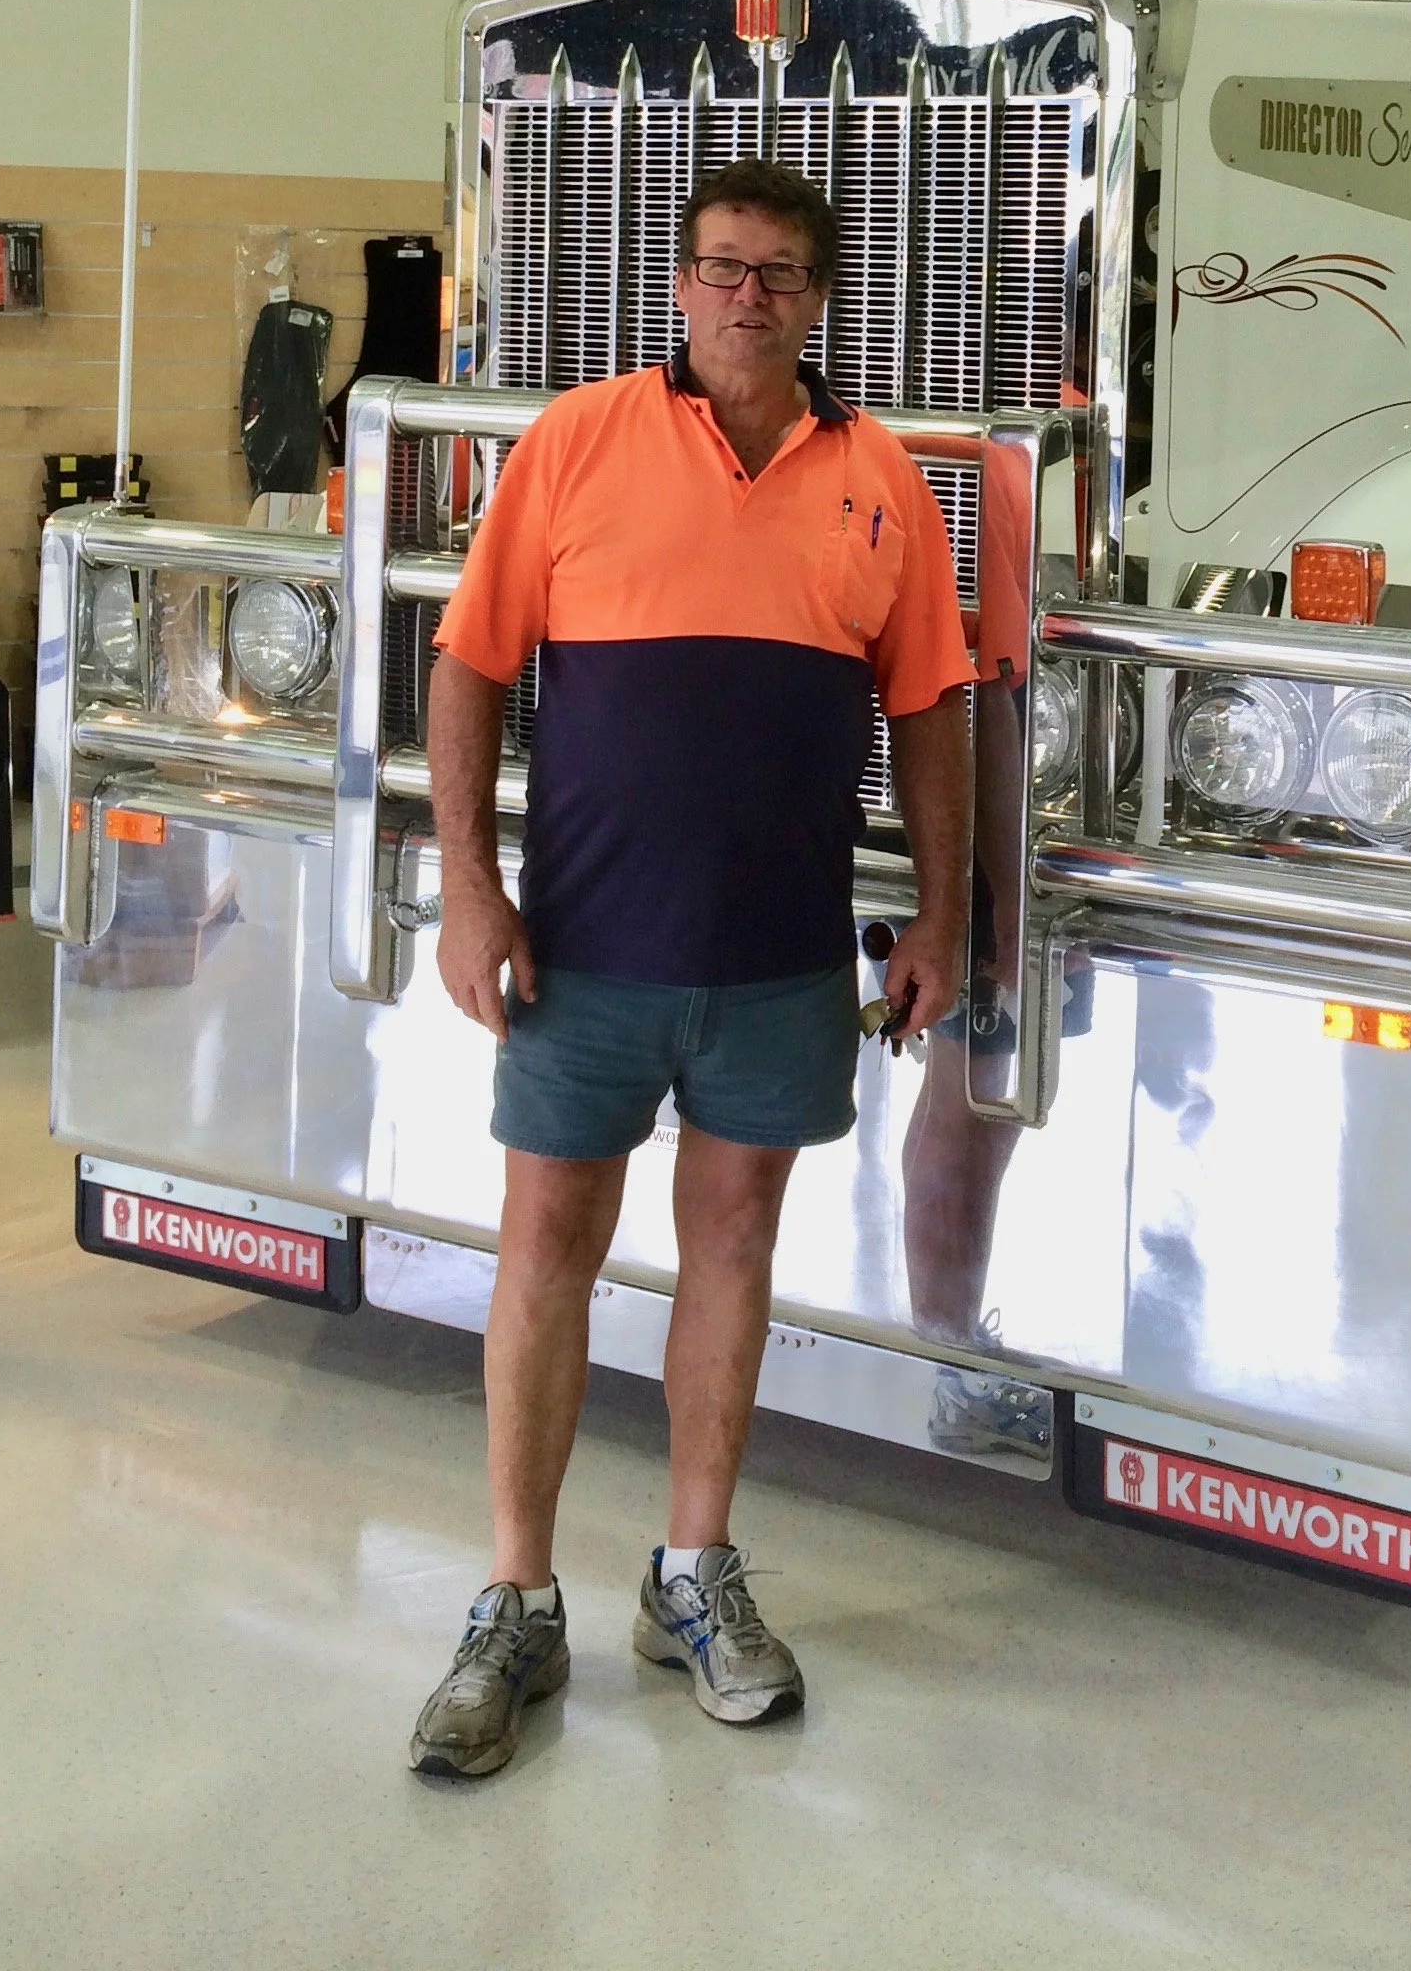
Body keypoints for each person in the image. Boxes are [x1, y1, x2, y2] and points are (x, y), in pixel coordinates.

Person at [407, 157, 974, 1781]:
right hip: (585, 951)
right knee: (546, 1251)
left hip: (779, 958)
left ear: (819, 299)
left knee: (733, 1246)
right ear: (679, 284)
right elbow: (470, 667)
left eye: (780, 272)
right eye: (722, 266)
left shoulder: (881, 477)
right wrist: (469, 888)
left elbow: (928, 709)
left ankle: (692, 1577)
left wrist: (942, 915)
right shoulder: (578, 440)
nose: (748, 296)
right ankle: (516, 1602)